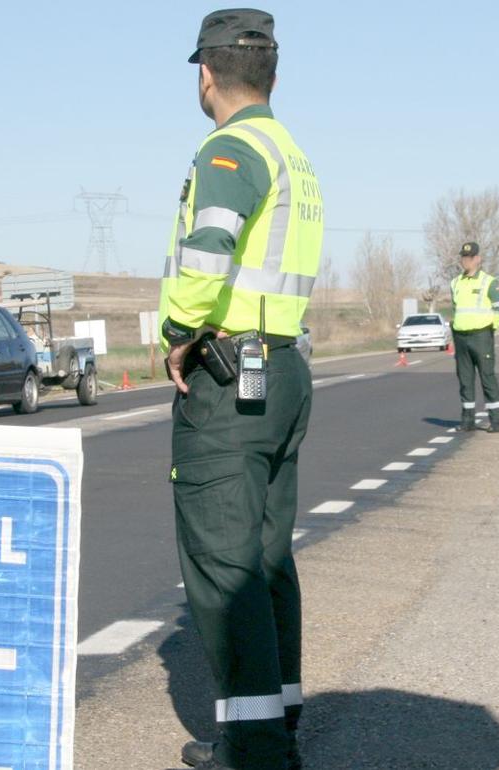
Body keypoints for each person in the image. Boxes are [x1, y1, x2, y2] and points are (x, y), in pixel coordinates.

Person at [159, 9, 323, 769]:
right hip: (282, 370)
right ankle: (278, 718)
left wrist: (177, 334)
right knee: (264, 559)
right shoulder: (291, 150)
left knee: (225, 568)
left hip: (230, 378)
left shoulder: (230, 149)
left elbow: (209, 251)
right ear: (273, 77)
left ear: (206, 75)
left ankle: (255, 750)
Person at [450, 242, 499, 432]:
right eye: (464, 258)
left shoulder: (488, 282)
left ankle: (495, 421)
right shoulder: (455, 282)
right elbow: (455, 308)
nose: (466, 261)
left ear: (478, 259)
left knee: (487, 377)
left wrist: (492, 327)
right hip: (461, 336)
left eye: (470, 257)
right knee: (465, 380)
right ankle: (467, 421)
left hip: (481, 336)